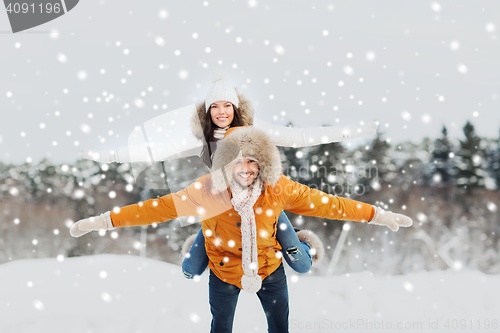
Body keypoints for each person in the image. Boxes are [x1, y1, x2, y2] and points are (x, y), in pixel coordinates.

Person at [70, 126, 412, 333]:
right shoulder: (206, 191)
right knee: (221, 327)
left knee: (279, 326)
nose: (246, 168)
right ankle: (199, 247)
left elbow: (331, 204)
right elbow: (155, 209)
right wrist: (103, 221)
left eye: (252, 160)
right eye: (238, 160)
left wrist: (377, 215)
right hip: (223, 270)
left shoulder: (278, 188)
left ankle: (298, 246)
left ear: (263, 163)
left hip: (269, 267)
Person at [79, 77, 379, 278]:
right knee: (191, 269)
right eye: (215, 106)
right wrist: (105, 156)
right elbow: (153, 150)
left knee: (301, 265)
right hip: (221, 206)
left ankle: (300, 244)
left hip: (262, 200)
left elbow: (300, 136)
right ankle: (204, 248)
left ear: (236, 107)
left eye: (227, 105)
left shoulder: (256, 128)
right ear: (207, 110)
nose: (221, 111)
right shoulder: (200, 139)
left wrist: (358, 130)